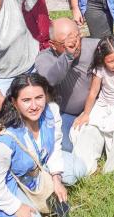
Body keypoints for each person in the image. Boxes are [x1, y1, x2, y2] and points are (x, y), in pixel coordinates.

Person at [0, 74, 88, 217]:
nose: (34, 106)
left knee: (77, 168)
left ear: (46, 96)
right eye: (26, 100)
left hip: (36, 166)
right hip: (8, 180)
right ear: (14, 101)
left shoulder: (51, 111)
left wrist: (56, 177)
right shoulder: (4, 140)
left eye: (39, 98)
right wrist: (17, 207)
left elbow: (55, 144)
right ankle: (1, 208)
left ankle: (36, 191)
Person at [70, 35, 114, 174]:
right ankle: (85, 166)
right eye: (111, 61)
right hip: (102, 105)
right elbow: (94, 93)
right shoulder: (100, 68)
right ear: (103, 60)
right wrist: (86, 114)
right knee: (81, 129)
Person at [33, 18, 97, 153]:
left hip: (96, 108)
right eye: (65, 44)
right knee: (66, 148)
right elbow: (50, 79)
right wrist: (68, 55)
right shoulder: (44, 58)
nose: (75, 46)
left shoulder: (93, 46)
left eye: (76, 39)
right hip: (67, 114)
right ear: (52, 44)